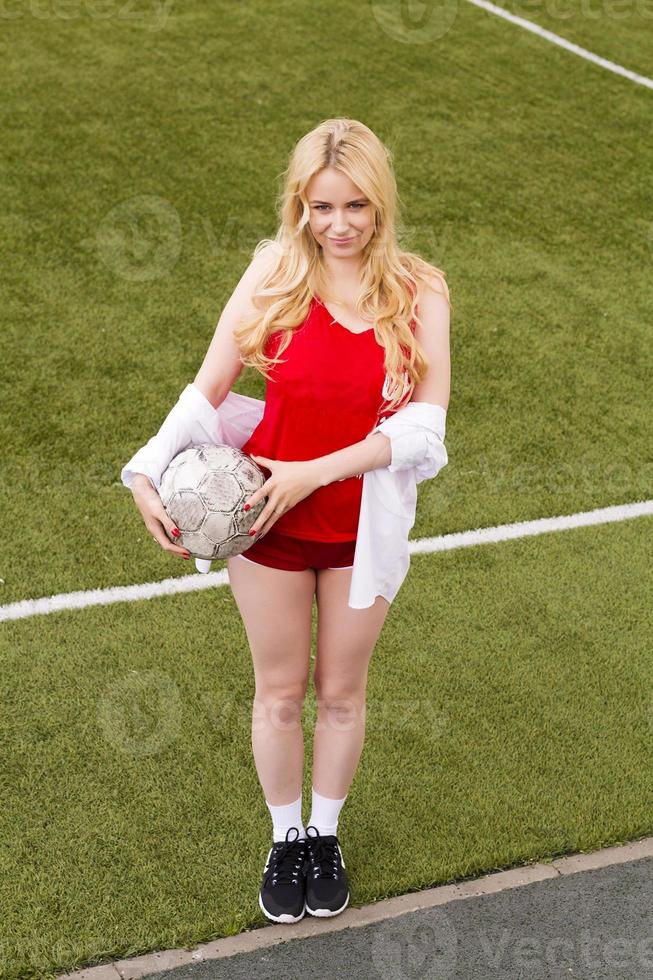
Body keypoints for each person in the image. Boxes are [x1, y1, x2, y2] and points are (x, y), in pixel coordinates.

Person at [128, 117, 451, 925]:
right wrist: (140, 471)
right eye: (319, 207)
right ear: (298, 206)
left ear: (380, 204)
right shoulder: (274, 272)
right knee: (278, 689)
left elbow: (424, 430)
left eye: (355, 207)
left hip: (356, 526)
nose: (337, 224)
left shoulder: (420, 289)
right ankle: (283, 839)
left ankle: (324, 834)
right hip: (265, 527)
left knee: (341, 690)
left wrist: (316, 470)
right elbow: (206, 392)